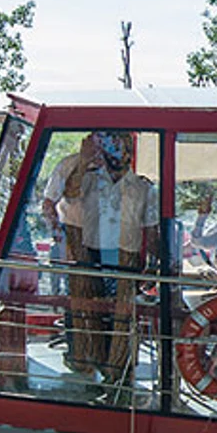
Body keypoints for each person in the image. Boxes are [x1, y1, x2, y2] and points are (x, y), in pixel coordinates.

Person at [63, 131, 158, 393]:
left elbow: (151, 229)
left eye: (123, 148)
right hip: (91, 257)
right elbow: (69, 194)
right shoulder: (90, 180)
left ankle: (119, 379)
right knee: (90, 315)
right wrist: (83, 161)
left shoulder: (143, 187)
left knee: (123, 320)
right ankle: (91, 373)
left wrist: (152, 263)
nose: (119, 155)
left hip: (125, 259)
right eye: (112, 148)